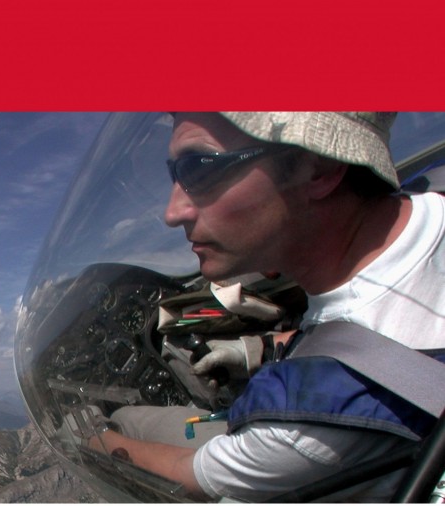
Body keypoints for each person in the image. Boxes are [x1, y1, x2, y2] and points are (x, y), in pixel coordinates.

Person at [88, 112, 445, 502]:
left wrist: (94, 439)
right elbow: (378, 337)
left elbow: (190, 474)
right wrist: (259, 349)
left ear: (320, 166)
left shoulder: (301, 424)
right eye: (175, 175)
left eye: (199, 168)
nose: (172, 213)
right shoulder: (435, 192)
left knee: (127, 420)